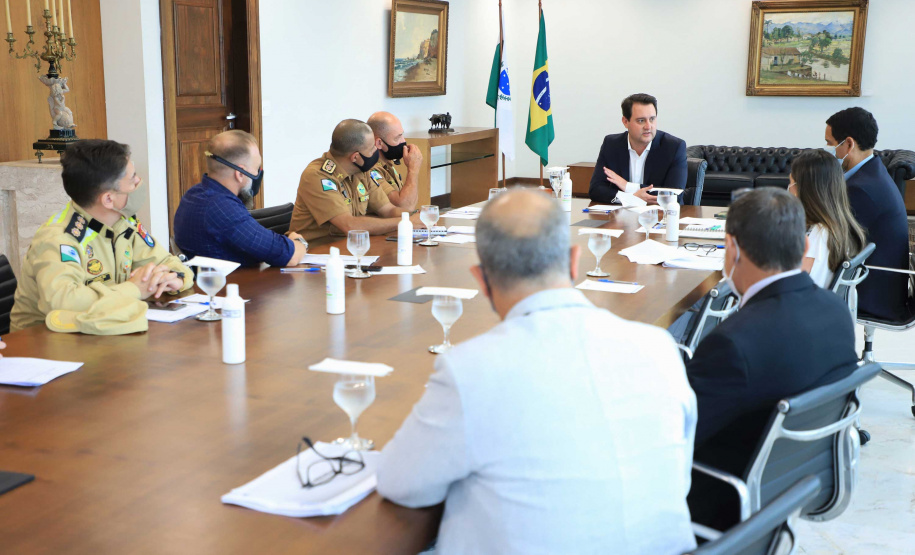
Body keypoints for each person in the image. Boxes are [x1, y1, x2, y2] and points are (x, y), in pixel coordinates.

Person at [377, 189, 697, 554]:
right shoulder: (658, 347)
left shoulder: (471, 369)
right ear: (575, 262)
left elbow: (400, 483)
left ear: (481, 280)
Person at [685, 188, 858, 532]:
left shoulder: (733, 343)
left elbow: (675, 435)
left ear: (732, 249)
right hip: (790, 487)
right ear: (804, 247)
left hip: (721, 499)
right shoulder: (836, 310)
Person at [11, 139, 194, 334]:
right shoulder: (59, 239)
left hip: (101, 332)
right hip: (41, 345)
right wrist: (133, 289)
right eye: (133, 179)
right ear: (108, 199)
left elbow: (167, 261)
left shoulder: (123, 221)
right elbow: (62, 301)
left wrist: (175, 279)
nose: (139, 182)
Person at [173, 130, 308, 267]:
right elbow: (288, 256)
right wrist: (299, 242)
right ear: (240, 174)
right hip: (227, 286)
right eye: (256, 169)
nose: (258, 174)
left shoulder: (194, 193)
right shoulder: (222, 208)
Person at [825, 107, 909, 320]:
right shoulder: (872, 173)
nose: (830, 150)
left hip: (870, 294)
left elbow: (834, 244)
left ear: (849, 143)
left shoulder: (861, 189)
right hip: (880, 286)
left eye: (831, 144)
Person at [288, 119, 422, 241]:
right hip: (317, 255)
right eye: (372, 149)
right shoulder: (317, 176)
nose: (376, 150)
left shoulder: (361, 171)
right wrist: (407, 222)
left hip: (353, 248)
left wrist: (418, 216)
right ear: (355, 157)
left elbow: (388, 210)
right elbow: (350, 225)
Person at [788, 149, 867, 288]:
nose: (788, 190)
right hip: (826, 305)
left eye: (791, 184)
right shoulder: (840, 224)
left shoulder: (819, 235)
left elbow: (795, 289)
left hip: (804, 306)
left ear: (806, 190)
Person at [589, 93, 687, 205]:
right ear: (625, 122)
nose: (648, 126)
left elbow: (673, 195)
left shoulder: (673, 147)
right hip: (622, 218)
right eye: (641, 120)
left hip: (661, 218)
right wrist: (631, 198)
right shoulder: (611, 144)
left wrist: (627, 186)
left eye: (652, 119)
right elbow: (595, 189)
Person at [366, 111, 422, 210]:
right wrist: (413, 169)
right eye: (397, 138)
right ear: (379, 143)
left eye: (402, 135)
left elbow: (411, 203)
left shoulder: (387, 163)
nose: (403, 142)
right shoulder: (371, 170)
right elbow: (405, 207)